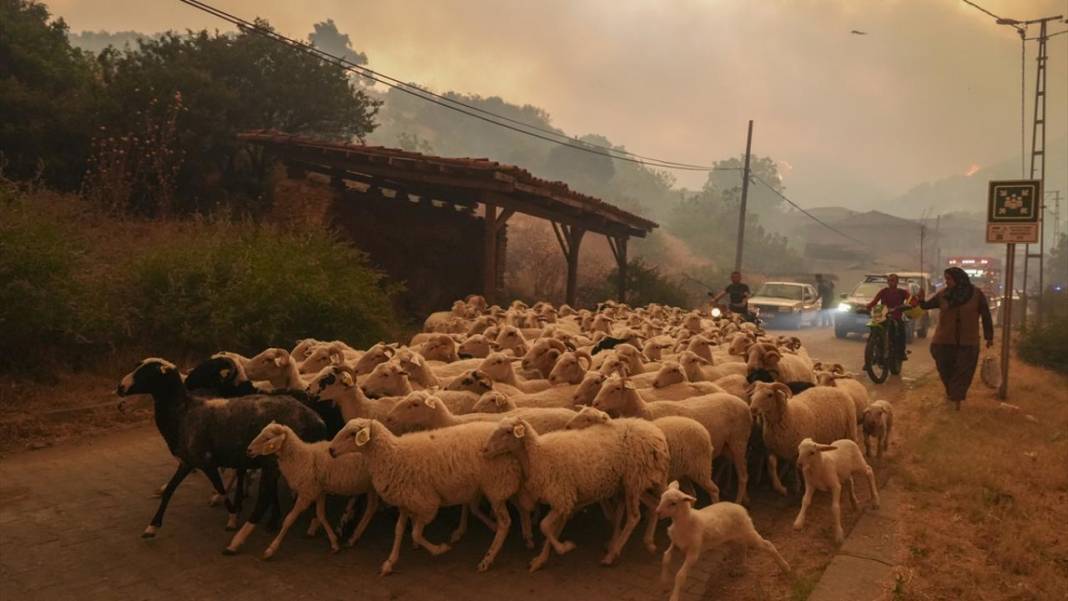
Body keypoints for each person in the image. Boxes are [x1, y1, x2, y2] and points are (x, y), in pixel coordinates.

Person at [919, 267, 994, 410]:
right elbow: (927, 305)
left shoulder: (976, 295)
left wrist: (988, 336)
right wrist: (921, 300)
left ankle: (956, 399)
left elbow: (986, 315)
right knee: (945, 369)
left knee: (963, 371)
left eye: (949, 279)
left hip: (968, 342)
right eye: (946, 279)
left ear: (958, 279)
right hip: (943, 341)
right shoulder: (943, 295)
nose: (946, 282)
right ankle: (952, 393)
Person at [866, 274, 911, 363]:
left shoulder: (902, 292)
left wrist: (909, 305)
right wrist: (867, 307)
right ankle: (870, 355)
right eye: (889, 280)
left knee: (901, 331)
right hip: (882, 315)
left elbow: (911, 300)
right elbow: (874, 301)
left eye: (892, 280)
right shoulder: (883, 291)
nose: (890, 282)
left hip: (896, 317)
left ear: (897, 282)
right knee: (873, 330)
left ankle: (901, 353)